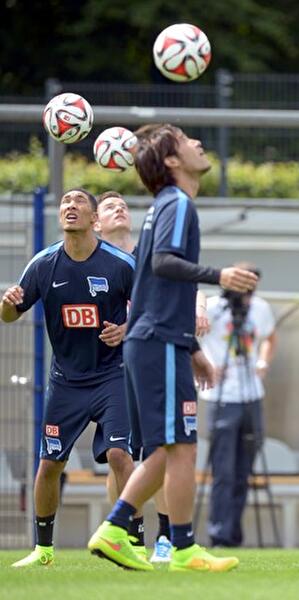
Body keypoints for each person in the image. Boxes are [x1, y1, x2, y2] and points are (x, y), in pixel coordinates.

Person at [87, 124, 258, 572]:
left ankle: (150, 538)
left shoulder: (167, 205)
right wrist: (219, 276)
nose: (198, 143)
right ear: (172, 162)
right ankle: (151, 539)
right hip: (156, 342)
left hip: (158, 340)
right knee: (176, 445)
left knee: (173, 446)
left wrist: (191, 347)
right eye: (186, 141)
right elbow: (165, 264)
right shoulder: (178, 202)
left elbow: (152, 287)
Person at [3, 188, 137, 567]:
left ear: (95, 220)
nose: (70, 207)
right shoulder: (44, 264)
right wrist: (7, 304)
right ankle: (42, 549)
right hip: (66, 381)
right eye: (65, 203)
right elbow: (9, 315)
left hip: (113, 374)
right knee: (49, 465)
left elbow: (148, 310)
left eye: (79, 202)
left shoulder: (120, 264)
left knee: (119, 455)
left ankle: (133, 542)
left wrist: (125, 329)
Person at [93, 190, 173, 563]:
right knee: (119, 455)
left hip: (152, 366)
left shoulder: (147, 253)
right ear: (96, 221)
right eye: (109, 206)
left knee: (164, 453)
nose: (120, 207)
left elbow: (182, 293)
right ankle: (128, 536)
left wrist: (202, 306)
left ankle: (167, 537)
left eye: (123, 204)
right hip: (108, 374)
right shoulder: (87, 263)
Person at [199, 265, 277, 547]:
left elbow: (270, 336)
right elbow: (185, 337)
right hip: (221, 396)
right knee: (223, 471)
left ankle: (234, 534)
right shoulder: (213, 307)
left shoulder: (260, 308)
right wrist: (203, 364)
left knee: (244, 471)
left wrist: (263, 362)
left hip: (251, 395)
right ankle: (219, 533)